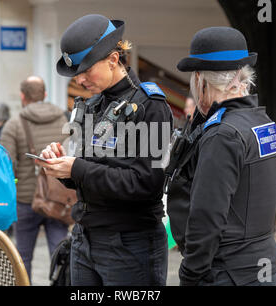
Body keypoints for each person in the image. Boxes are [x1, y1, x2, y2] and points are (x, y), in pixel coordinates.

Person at [38, 14, 173, 286]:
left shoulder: (151, 106)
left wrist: (77, 167)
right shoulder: (93, 104)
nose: (81, 80)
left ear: (113, 59)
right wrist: (61, 167)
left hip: (130, 244)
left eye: (87, 70)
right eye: (77, 73)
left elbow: (148, 184)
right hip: (84, 237)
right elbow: (86, 172)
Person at [168, 26, 276, 286]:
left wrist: (190, 273)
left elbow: (207, 216)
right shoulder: (262, 122)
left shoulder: (223, 135)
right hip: (265, 265)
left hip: (229, 272)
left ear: (200, 80)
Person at [0, 75, 69, 282]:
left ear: (22, 96)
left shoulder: (13, 124)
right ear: (45, 94)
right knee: (60, 255)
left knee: (22, 257)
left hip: (25, 201)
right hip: (58, 197)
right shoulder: (64, 120)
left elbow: (6, 167)